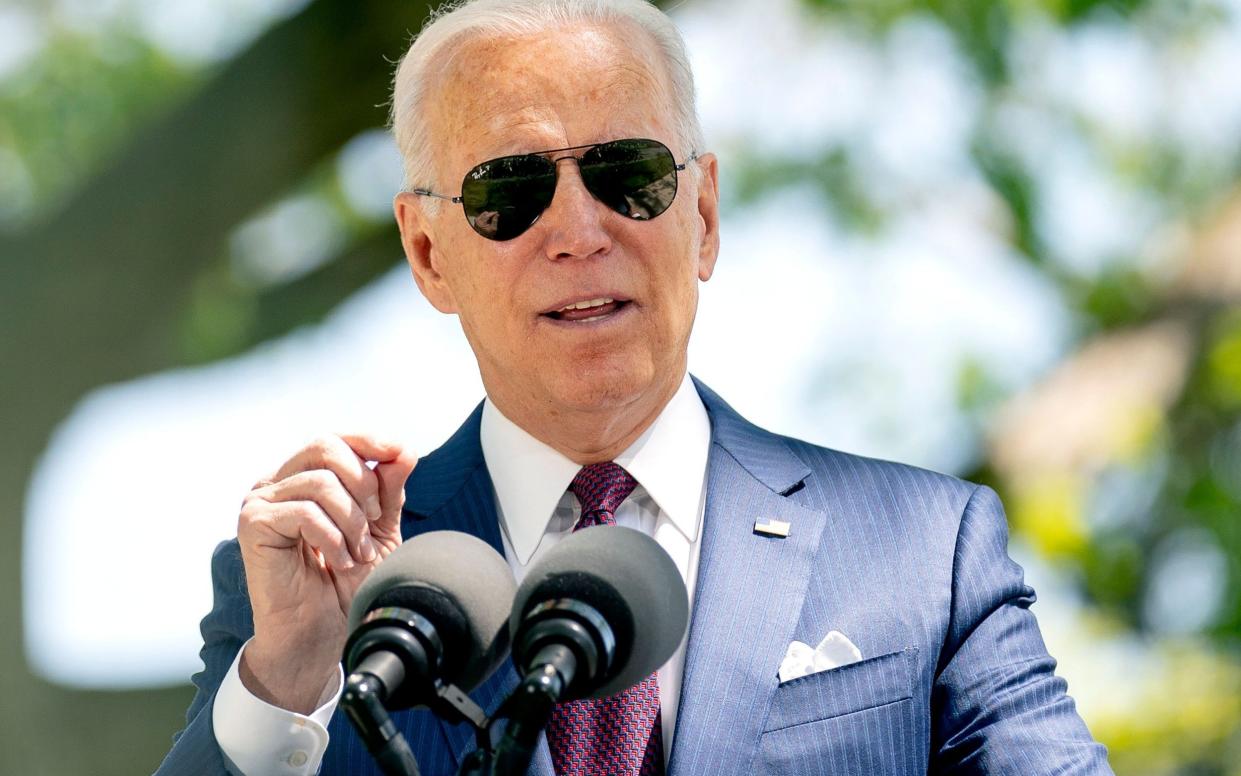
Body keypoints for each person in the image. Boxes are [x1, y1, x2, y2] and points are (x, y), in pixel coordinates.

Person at [155, 0, 1114, 774]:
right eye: (509, 192)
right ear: (426, 251)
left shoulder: (920, 552)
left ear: (700, 213)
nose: (577, 230)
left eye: (628, 175)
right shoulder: (313, 597)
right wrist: (284, 684)